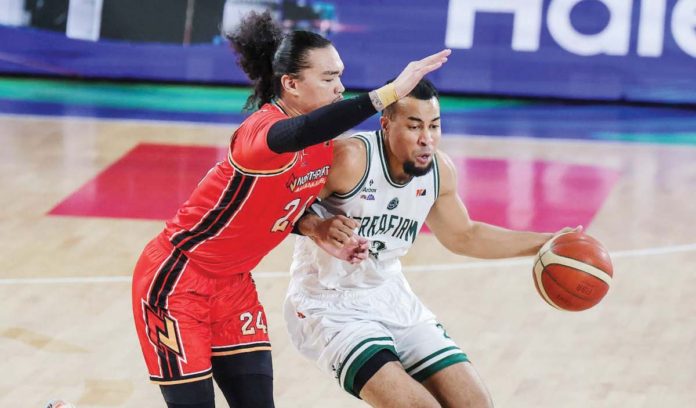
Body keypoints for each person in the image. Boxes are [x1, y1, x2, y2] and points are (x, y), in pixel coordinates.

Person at [130, 10, 451, 408]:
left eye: (340, 76)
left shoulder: (322, 147)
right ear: (291, 84)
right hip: (177, 280)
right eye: (329, 78)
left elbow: (281, 204)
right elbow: (300, 133)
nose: (341, 87)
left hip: (233, 287)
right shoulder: (261, 134)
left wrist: (316, 228)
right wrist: (388, 92)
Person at [285, 79, 579, 407]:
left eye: (434, 126)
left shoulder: (439, 170)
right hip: (328, 303)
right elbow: (277, 204)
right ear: (386, 125)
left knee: (475, 404)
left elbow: (464, 235)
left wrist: (544, 242)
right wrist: (317, 228)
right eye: (414, 127)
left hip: (390, 295)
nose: (427, 139)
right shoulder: (351, 159)